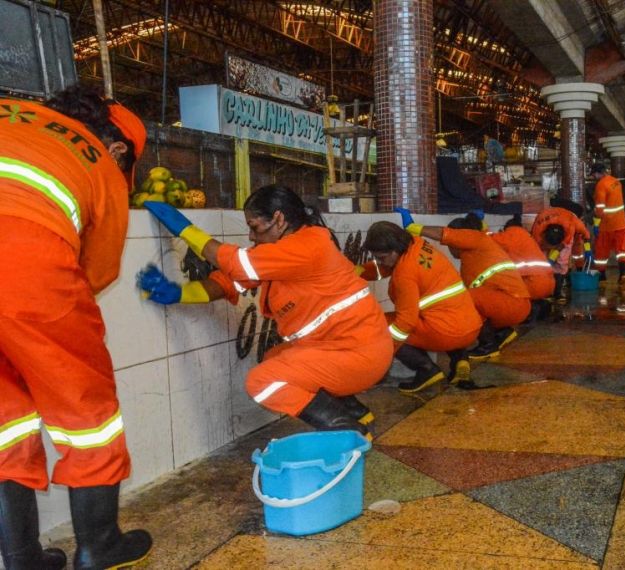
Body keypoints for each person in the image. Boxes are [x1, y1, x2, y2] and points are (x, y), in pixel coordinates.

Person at [0, 85, 151, 569]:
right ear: (120, 150)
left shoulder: (14, 113)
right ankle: (99, 546)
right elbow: (98, 272)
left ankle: (21, 558)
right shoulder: (99, 162)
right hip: (26, 267)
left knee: (5, 421)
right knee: (88, 415)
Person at [139, 185, 393, 439]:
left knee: (261, 382)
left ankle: (349, 432)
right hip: (346, 347)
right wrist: (180, 293)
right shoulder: (285, 250)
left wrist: (186, 230)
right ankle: (355, 412)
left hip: (358, 353)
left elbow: (237, 265)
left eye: (255, 227)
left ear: (279, 220)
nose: (251, 236)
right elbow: (230, 282)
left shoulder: (308, 244)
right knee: (274, 358)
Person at [360, 222, 482, 392]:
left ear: (394, 251)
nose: (380, 262)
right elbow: (387, 267)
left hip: (448, 333)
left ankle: (426, 370)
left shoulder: (405, 274)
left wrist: (385, 350)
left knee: (382, 325)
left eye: (381, 257)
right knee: (442, 315)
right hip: (470, 326)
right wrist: (361, 271)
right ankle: (460, 359)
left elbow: (405, 323)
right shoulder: (417, 245)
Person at [395, 208, 530, 361]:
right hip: (512, 304)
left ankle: (488, 345)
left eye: (450, 245)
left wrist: (414, 228)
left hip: (513, 304)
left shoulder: (476, 239)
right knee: (466, 297)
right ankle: (501, 332)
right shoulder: (475, 253)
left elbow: (447, 235)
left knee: (466, 298)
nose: (449, 248)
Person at [490, 215, 555, 321]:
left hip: (534, 285)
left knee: (507, 291)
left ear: (507, 228)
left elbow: (489, 239)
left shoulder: (512, 234)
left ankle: (529, 311)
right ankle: (539, 307)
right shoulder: (527, 237)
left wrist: (483, 229)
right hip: (549, 284)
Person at [531, 206, 591, 297]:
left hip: (565, 227)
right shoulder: (537, 231)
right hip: (547, 225)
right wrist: (545, 262)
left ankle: (558, 288)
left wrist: (588, 249)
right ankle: (545, 286)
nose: (552, 248)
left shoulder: (572, 225)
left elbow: (586, 236)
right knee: (541, 261)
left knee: (563, 259)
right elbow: (536, 248)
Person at [590, 162, 625, 284]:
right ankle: (623, 275)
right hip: (621, 223)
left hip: (606, 225)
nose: (593, 177)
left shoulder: (601, 185)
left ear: (597, 173)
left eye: (593, 175)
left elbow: (600, 209)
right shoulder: (616, 182)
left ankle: (602, 277)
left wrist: (596, 224)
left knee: (601, 251)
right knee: (622, 250)